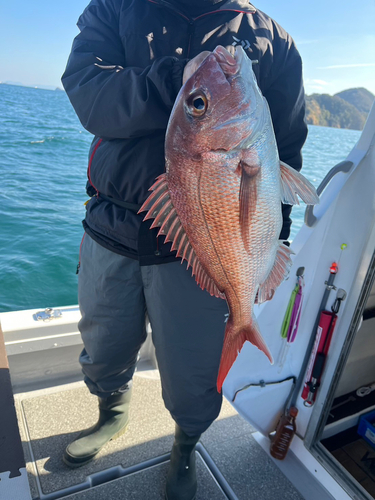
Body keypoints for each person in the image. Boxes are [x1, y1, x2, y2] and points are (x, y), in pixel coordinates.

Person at [61, 1, 307, 498]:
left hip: (204, 249)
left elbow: (288, 142)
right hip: (114, 223)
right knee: (104, 345)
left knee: (195, 371)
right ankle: (112, 411)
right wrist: (180, 82)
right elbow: (91, 95)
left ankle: (186, 443)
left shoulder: (272, 39)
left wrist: (270, 241)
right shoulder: (114, 8)